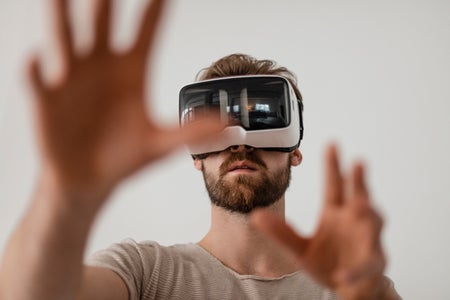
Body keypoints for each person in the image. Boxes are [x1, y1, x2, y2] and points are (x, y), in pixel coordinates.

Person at [0, 0, 401, 299]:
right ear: (196, 156)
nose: (240, 140)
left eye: (261, 117)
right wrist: (66, 193)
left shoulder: (353, 281)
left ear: (295, 149)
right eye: (217, 124)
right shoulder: (145, 272)